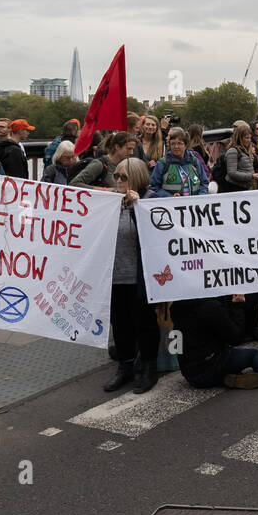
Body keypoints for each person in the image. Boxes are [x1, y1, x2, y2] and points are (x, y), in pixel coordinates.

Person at [103, 157, 161, 395]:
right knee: (120, 323)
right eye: (116, 176)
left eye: (123, 177)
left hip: (140, 278)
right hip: (115, 276)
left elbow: (159, 229)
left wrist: (139, 208)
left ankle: (149, 367)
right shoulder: (111, 202)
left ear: (136, 177)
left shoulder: (152, 199)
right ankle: (125, 365)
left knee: (144, 323)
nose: (118, 180)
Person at [171, 295, 258, 391]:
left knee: (218, 354)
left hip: (190, 375)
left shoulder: (176, 307)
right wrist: (236, 306)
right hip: (211, 367)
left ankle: (229, 378)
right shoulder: (210, 306)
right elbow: (235, 337)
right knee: (255, 355)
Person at [149, 127, 209, 197]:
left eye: (180, 143)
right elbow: (154, 187)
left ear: (186, 145)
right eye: (173, 144)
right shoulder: (162, 163)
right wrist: (169, 196)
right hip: (171, 206)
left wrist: (202, 196)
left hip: (194, 205)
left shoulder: (194, 161)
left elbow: (204, 183)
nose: (176, 146)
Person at [218, 120, 256, 193]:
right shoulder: (233, 151)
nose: (249, 140)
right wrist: (251, 176)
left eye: (250, 138)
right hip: (234, 188)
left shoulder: (245, 150)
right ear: (240, 138)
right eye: (247, 138)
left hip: (244, 187)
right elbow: (232, 173)